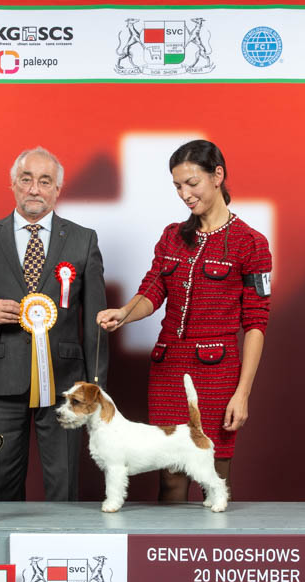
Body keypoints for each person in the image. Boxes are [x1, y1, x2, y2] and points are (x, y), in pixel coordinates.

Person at [97, 139, 271, 501]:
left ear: (217, 175)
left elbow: (256, 324)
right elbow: (152, 291)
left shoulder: (251, 243)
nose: (184, 194)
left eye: (192, 183)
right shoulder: (172, 236)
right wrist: (124, 313)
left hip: (218, 375)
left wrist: (242, 393)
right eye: (177, 186)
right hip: (168, 370)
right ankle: (168, 541)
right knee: (171, 476)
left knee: (214, 477)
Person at [0, 146, 108, 501]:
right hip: (1, 383)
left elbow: (95, 321)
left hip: (66, 385)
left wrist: (95, 385)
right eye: (26, 179)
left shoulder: (83, 240)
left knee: (64, 486)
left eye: (45, 181)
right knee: (0, 486)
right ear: (12, 185)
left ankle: (62, 540)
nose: (34, 189)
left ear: (58, 189)